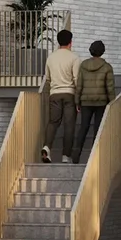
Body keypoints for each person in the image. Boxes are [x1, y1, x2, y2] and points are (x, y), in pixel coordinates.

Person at [41, 27, 81, 163]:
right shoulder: (74, 58)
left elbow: (47, 78)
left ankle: (47, 147)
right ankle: (65, 156)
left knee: (53, 122)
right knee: (69, 125)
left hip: (54, 94)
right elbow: (77, 80)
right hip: (69, 95)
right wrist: (78, 100)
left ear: (58, 42)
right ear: (71, 42)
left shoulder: (51, 57)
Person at [76, 38, 117, 157]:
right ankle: (94, 156)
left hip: (85, 102)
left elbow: (79, 85)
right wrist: (112, 102)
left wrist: (77, 101)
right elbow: (110, 87)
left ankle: (76, 154)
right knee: (98, 129)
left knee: (83, 127)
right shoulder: (107, 67)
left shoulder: (83, 65)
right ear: (102, 51)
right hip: (101, 102)